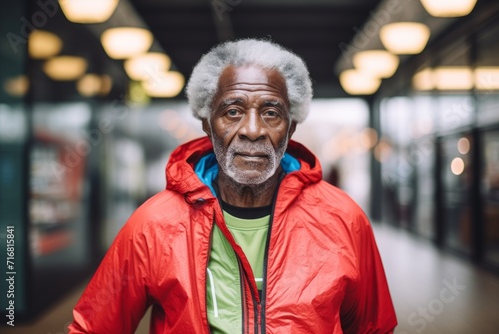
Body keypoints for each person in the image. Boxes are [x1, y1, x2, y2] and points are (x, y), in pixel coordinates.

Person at [69, 39, 397, 334]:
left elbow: (373, 328)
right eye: (233, 111)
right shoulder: (153, 225)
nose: (252, 130)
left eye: (271, 112)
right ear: (206, 122)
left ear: (291, 127)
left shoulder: (345, 220)